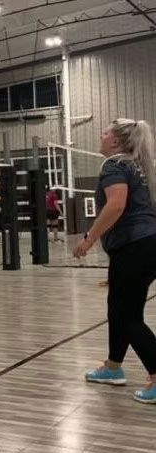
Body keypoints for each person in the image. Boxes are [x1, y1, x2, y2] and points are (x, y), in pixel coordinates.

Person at [73, 118, 156, 403]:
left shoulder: (115, 166)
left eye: (106, 132)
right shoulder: (137, 167)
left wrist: (89, 238)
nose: (101, 134)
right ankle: (113, 367)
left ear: (117, 142)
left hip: (134, 247)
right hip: (142, 247)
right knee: (119, 309)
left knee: (128, 316)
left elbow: (117, 204)